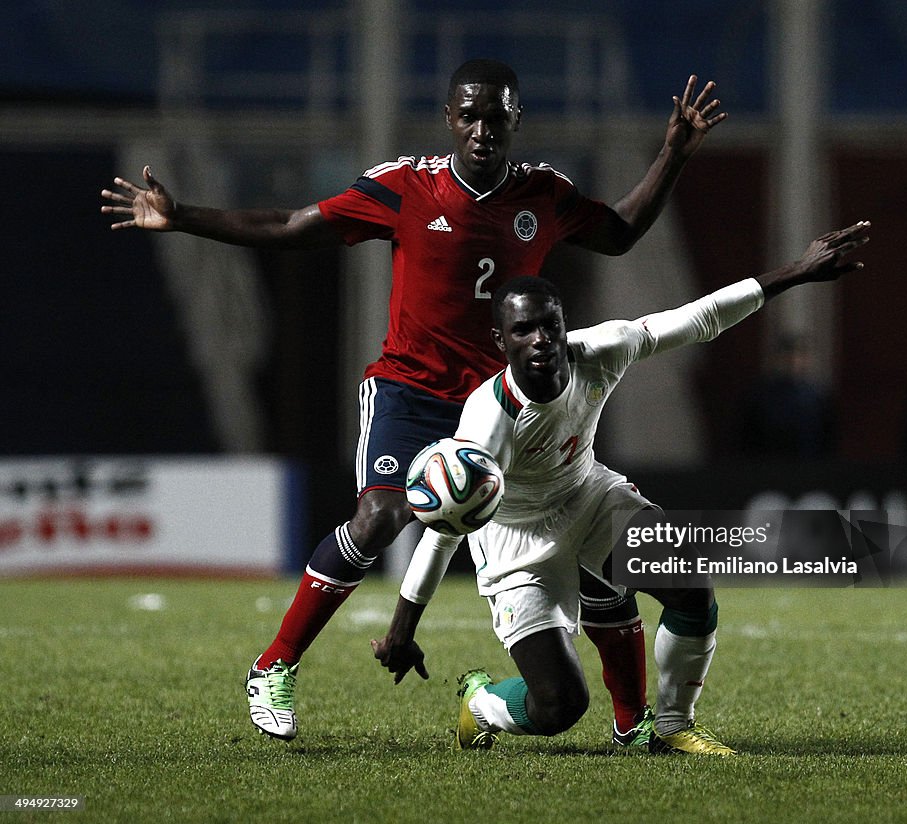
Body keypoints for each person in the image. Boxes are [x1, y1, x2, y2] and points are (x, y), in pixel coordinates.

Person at [101, 59, 729, 742]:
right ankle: (273, 665)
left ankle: (630, 719)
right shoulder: (406, 186)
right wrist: (183, 216)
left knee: (581, 531)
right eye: (470, 115)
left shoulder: (544, 195)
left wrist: (672, 153)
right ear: (450, 119)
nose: (483, 129)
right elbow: (290, 224)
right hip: (410, 391)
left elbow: (622, 232)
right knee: (378, 516)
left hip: (499, 407)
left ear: (516, 119)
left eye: (496, 116)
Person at [371, 222, 871, 755]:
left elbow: (698, 319)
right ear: (501, 340)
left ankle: (673, 726)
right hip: (515, 545)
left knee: (689, 584)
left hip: (587, 497)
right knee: (559, 707)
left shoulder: (603, 349)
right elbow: (446, 527)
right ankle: (481, 704)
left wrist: (793, 273)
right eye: (523, 331)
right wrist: (403, 625)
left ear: (564, 325)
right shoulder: (488, 420)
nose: (540, 340)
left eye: (549, 326)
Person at [739, 333, 836, 458]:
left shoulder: (818, 398)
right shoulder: (758, 396)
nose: (794, 360)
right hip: (766, 467)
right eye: (788, 354)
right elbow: (746, 439)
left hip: (808, 469)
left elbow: (827, 440)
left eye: (800, 355)